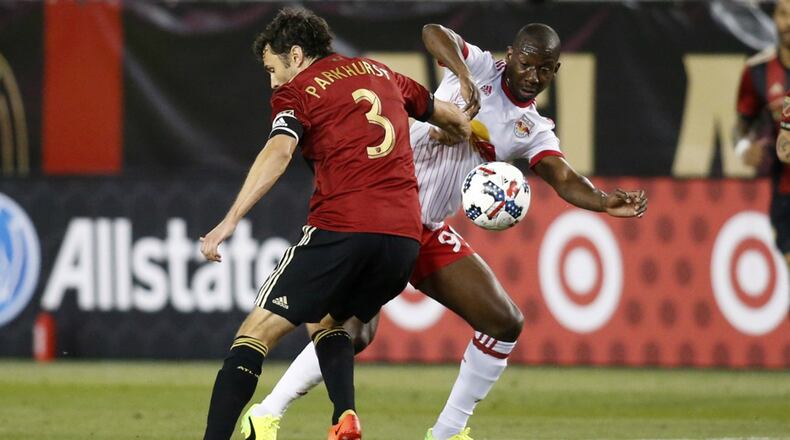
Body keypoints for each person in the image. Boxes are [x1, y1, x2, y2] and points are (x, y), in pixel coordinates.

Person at [241, 22, 648, 440]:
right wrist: (466, 75)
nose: (533, 76)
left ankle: (447, 432)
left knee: (503, 322)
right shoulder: (479, 68)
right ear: (510, 55)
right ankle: (267, 412)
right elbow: (434, 32)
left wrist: (600, 200)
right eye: (526, 64)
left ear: (555, 70)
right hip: (377, 211)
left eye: (544, 70)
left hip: (427, 228)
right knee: (353, 333)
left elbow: (561, 176)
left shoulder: (532, 129)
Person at [198, 8, 470, 440]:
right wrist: (460, 132)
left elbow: (279, 153)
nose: (272, 81)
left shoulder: (298, 91)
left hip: (344, 227)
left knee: (254, 335)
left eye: (273, 68)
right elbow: (452, 116)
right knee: (328, 319)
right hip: (402, 241)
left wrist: (228, 221)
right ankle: (345, 414)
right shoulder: (382, 72)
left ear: (296, 54)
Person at [736, 0, 790, 302]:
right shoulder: (758, 72)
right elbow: (742, 126)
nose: (789, 23)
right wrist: (745, 149)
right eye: (784, 14)